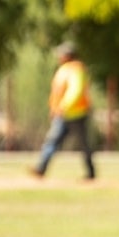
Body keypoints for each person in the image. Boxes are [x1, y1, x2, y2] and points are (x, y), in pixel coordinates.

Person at [32, 41, 96, 180]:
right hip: (62, 114)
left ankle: (91, 173)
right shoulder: (64, 69)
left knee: (83, 144)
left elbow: (76, 90)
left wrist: (63, 106)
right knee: (52, 140)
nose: (58, 57)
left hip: (76, 114)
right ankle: (41, 169)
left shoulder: (75, 69)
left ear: (68, 55)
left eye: (61, 54)